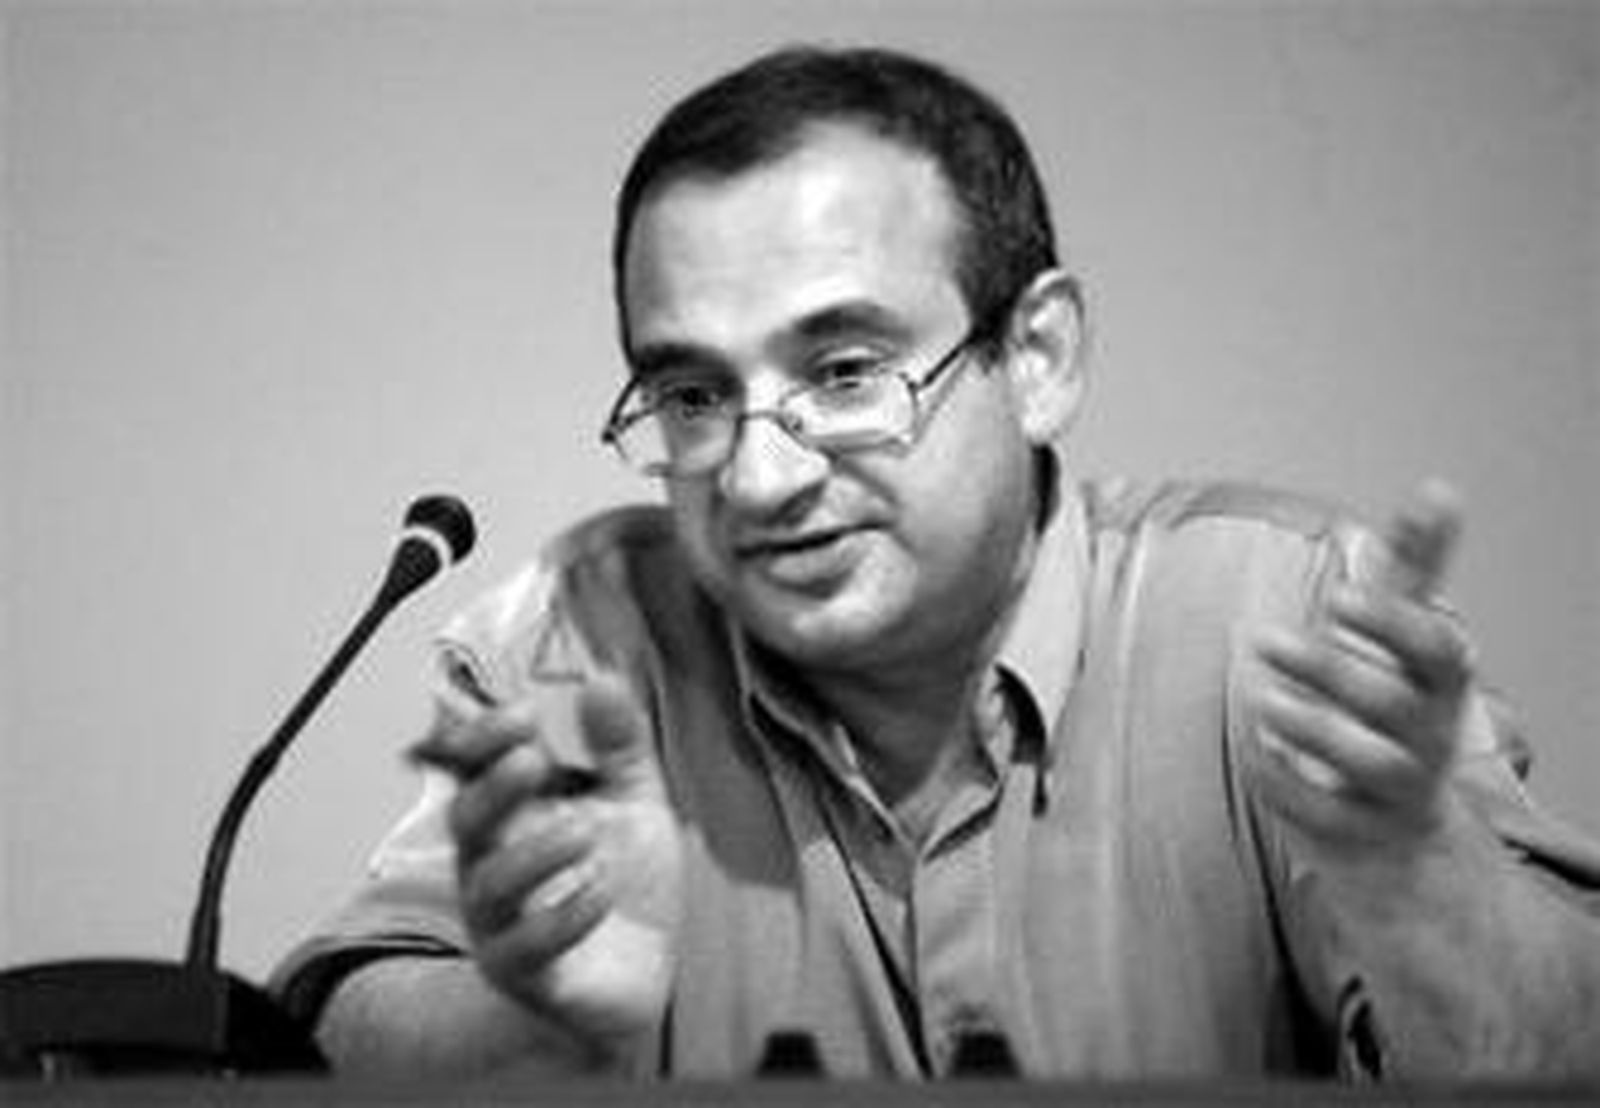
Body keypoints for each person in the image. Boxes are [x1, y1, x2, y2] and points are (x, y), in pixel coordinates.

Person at [272, 45, 1600, 1080]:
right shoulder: (587, 644)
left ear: (1040, 357)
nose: (759, 478)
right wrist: (534, 1017)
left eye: (845, 372)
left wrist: (1424, 879)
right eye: (691, 396)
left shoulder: (1281, 616)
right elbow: (330, 1042)